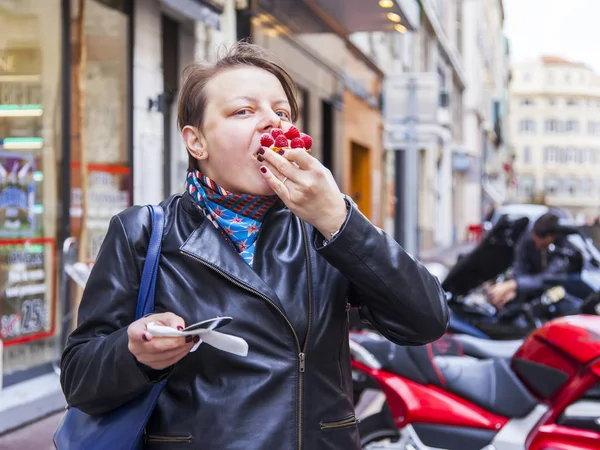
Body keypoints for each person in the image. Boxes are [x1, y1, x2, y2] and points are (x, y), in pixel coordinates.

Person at [59, 42, 448, 450]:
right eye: (244, 111)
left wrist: (339, 220)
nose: (271, 123)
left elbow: (425, 321)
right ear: (197, 142)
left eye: (281, 113)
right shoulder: (143, 232)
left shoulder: (326, 230)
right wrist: (133, 352)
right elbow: (80, 380)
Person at [487, 211, 569, 308]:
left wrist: (513, 285)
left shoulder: (565, 247)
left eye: (542, 244)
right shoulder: (528, 238)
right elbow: (520, 266)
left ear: (552, 237)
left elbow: (547, 279)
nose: (537, 246)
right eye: (535, 242)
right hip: (531, 293)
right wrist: (514, 291)